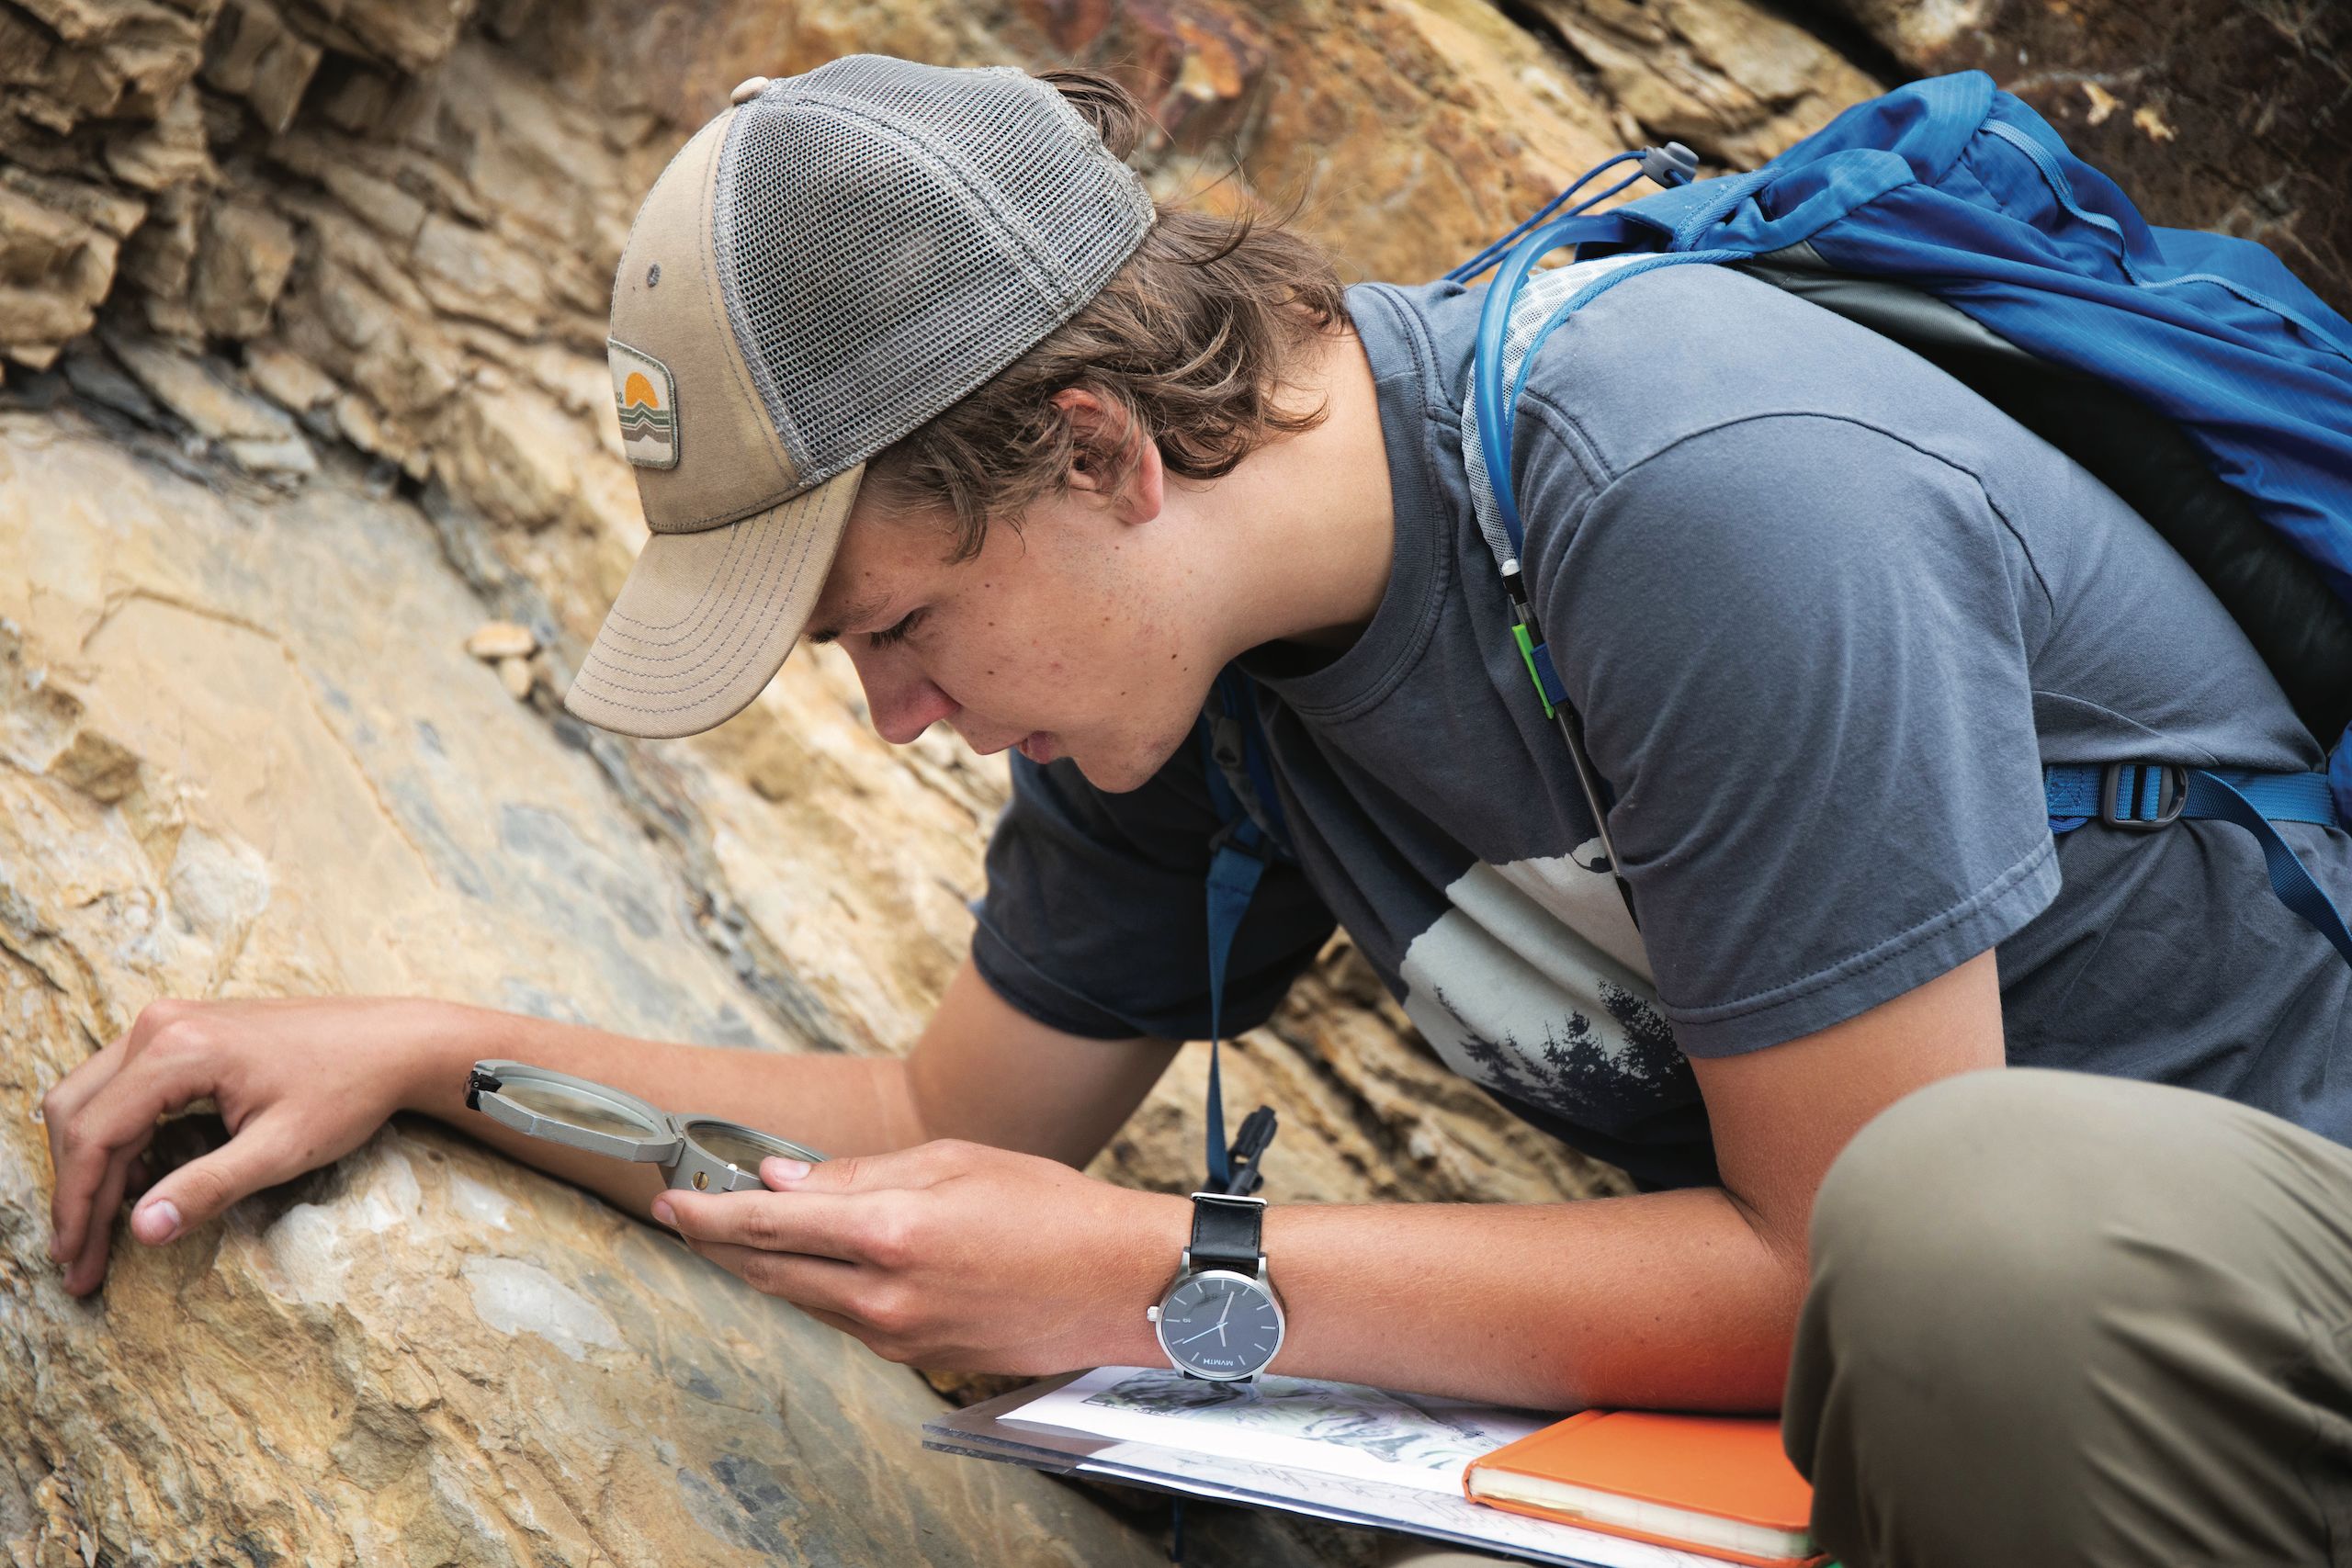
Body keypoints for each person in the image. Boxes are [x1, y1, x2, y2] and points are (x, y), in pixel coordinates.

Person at [40, 55, 2352, 1567]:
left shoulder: (1702, 487)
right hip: (1949, 1456)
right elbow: (932, 1110)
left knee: (1976, 1216)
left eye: (892, 624)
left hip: (2234, 1355)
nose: (890, 720)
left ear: (1097, 453)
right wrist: (435, 1055)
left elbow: (1837, 1253)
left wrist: (1180, 1281)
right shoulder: (1188, 684)